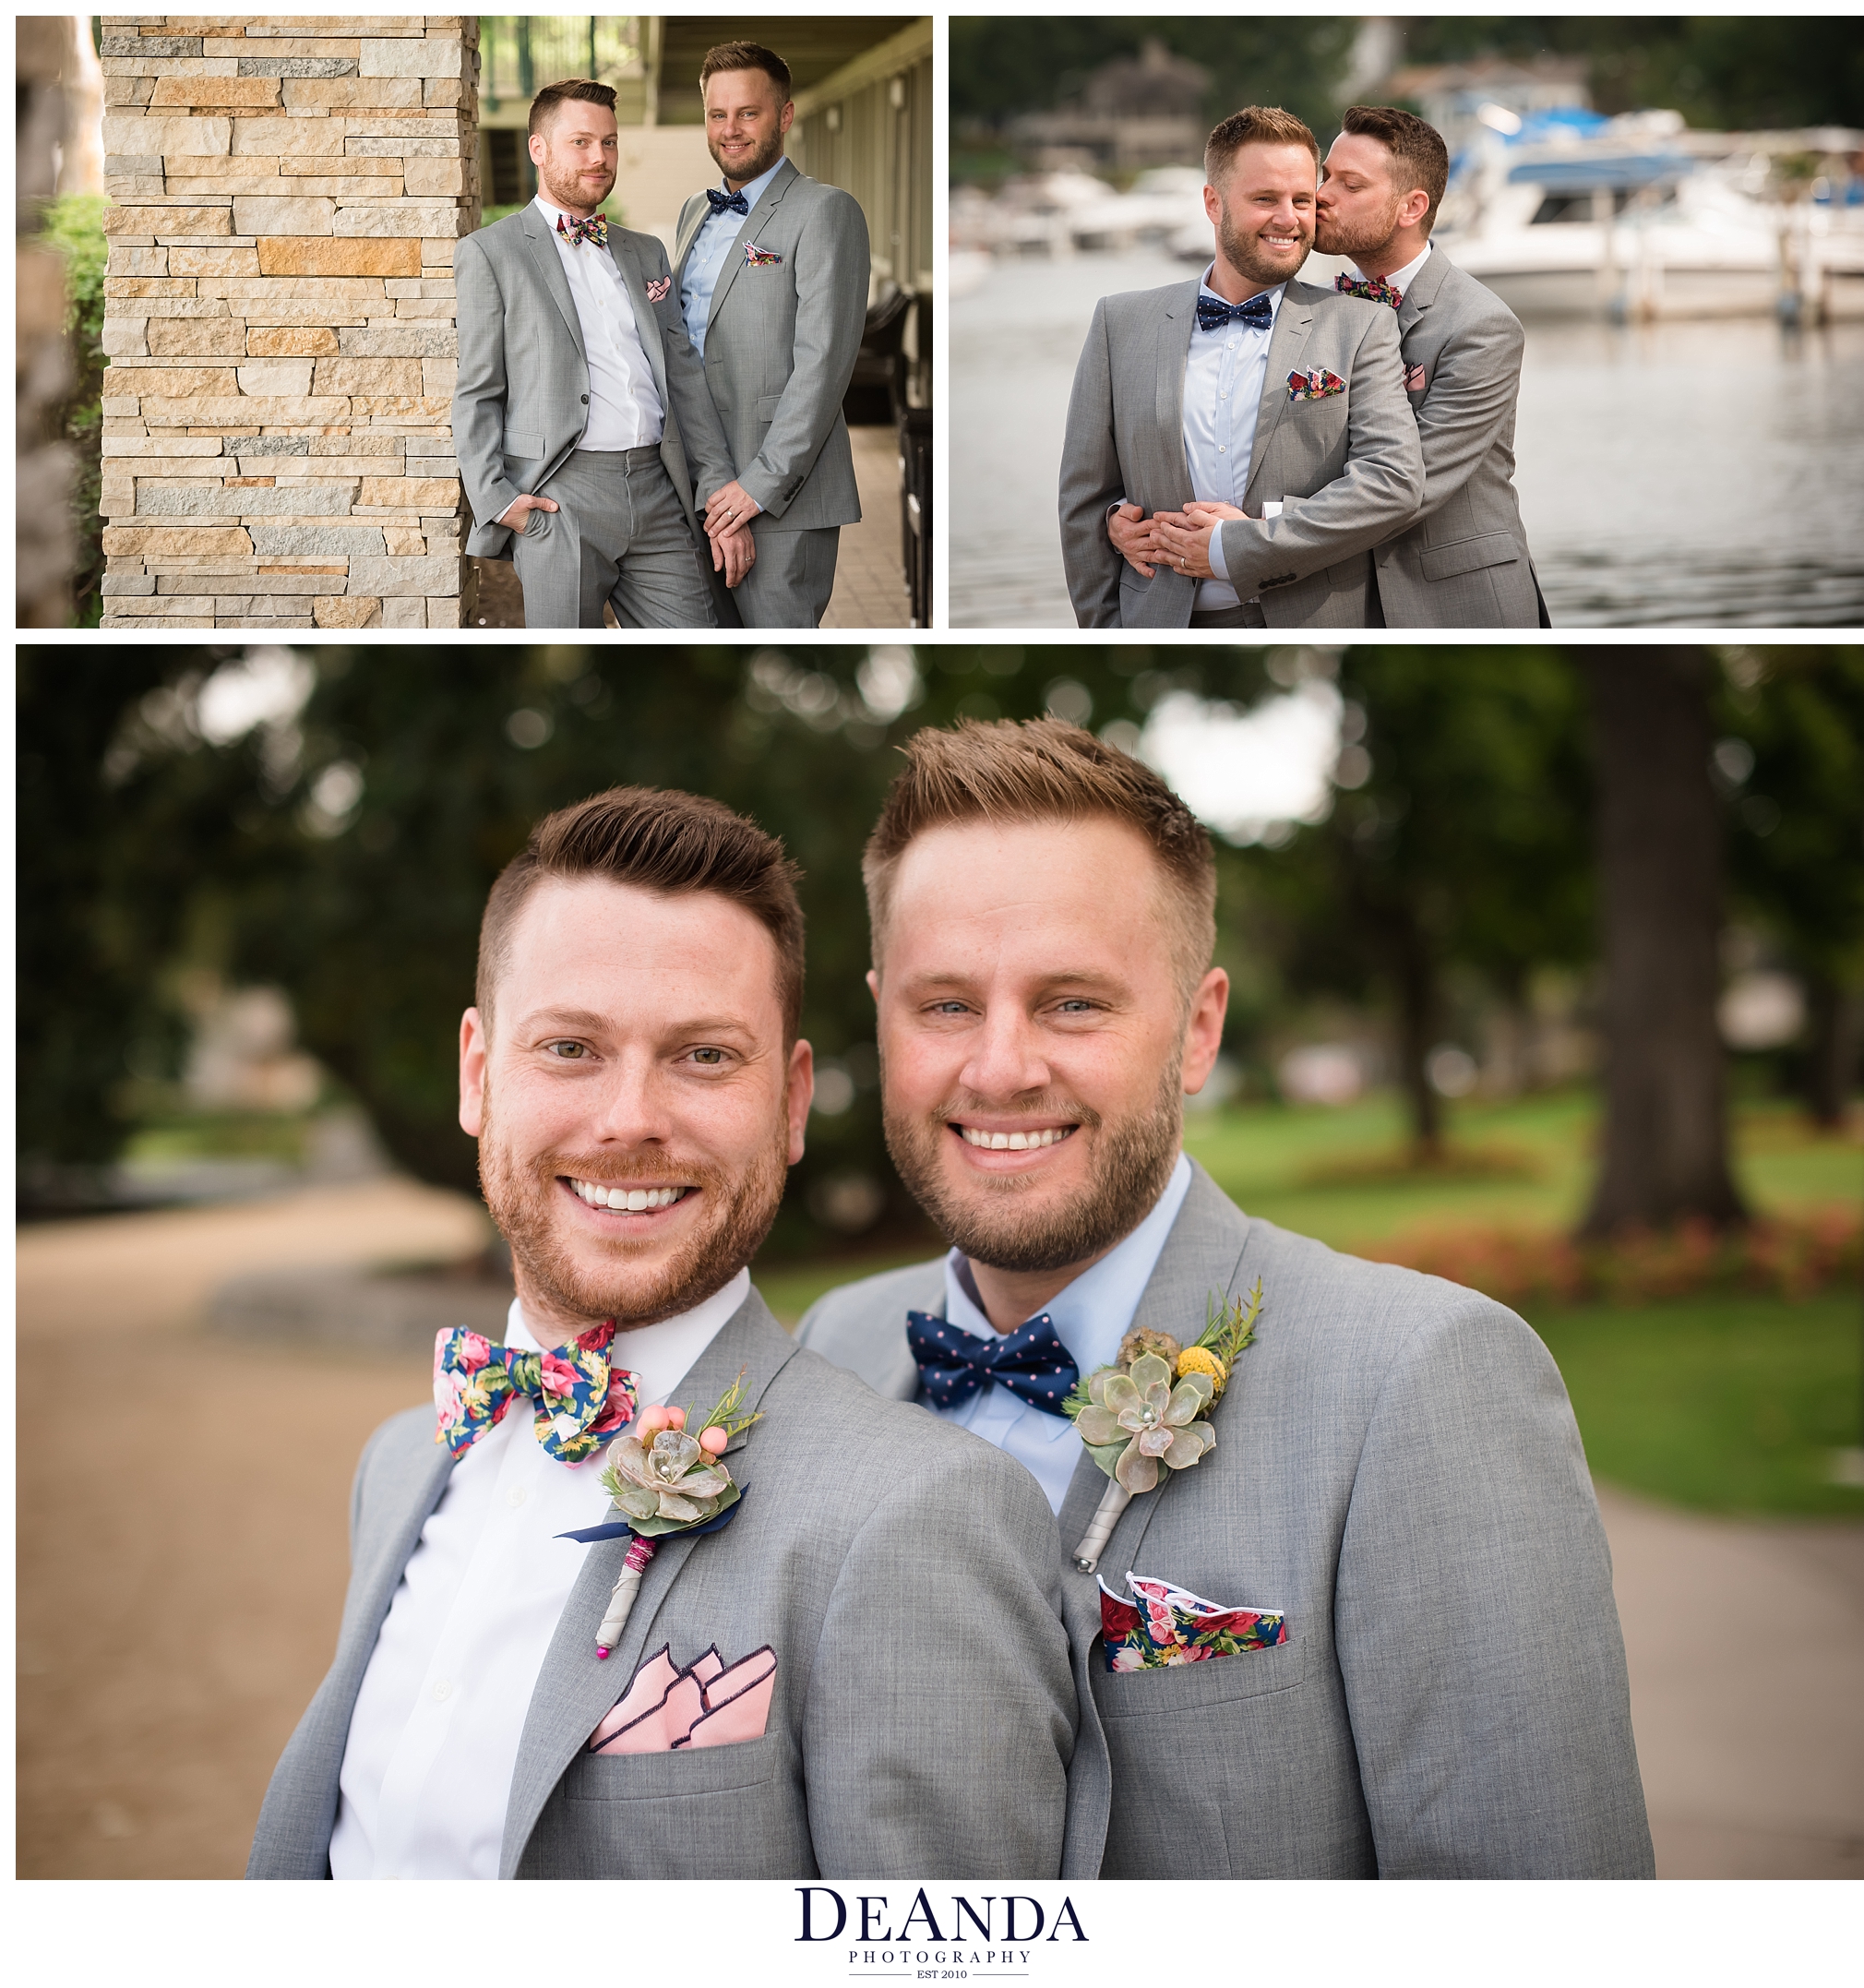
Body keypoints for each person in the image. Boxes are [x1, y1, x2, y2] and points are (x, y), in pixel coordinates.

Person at [796, 718, 1655, 1880]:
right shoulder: (831, 1350)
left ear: (1196, 1029)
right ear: (880, 1011)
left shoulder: (1424, 1382)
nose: (998, 1067)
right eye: (944, 1005)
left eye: (1073, 1004)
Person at [248, 787, 1073, 1880]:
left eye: (703, 1057)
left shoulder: (919, 1518)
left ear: (789, 1105)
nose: (631, 1117)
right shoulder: (398, 1465)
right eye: (571, 1047)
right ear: (477, 1074)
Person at [1058, 105, 1424, 629]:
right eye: (1264, 199)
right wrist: (1105, 629)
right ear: (1213, 202)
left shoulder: (1361, 325)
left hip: (1314, 627)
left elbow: (1390, 483)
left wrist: (1242, 543)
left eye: (1302, 199)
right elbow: (1083, 498)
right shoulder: (1121, 323)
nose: (1288, 218)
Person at [453, 79, 753, 629]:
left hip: (660, 488)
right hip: (560, 497)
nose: (599, 158)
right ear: (538, 149)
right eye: (581, 142)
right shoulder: (490, 254)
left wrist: (713, 482)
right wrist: (497, 499)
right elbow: (477, 389)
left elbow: (682, 374)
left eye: (610, 143)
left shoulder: (646, 252)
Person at [1313, 105, 1550, 627]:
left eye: (1349, 184)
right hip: (1346, 606)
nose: (1321, 194)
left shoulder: (1481, 326)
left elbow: (1409, 486)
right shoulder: (1310, 313)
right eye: (1325, 175)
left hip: (1465, 607)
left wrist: (1252, 527)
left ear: (1411, 206)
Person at [675, 42, 871, 629]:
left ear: (785, 116)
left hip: (782, 495)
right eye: (718, 114)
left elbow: (823, 368)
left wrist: (755, 489)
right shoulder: (694, 211)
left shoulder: (826, 211)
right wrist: (710, 487)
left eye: (748, 113)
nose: (730, 130)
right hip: (694, 486)